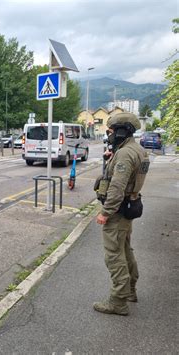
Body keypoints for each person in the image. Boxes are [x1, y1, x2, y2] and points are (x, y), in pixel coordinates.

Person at [94, 112, 149, 316]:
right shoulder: (139, 150)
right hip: (130, 206)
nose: (109, 135)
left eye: (111, 131)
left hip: (117, 210)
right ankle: (131, 291)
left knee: (114, 256)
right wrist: (113, 158)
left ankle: (118, 302)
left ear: (121, 131)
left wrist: (106, 212)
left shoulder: (125, 154)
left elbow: (117, 186)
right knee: (125, 250)